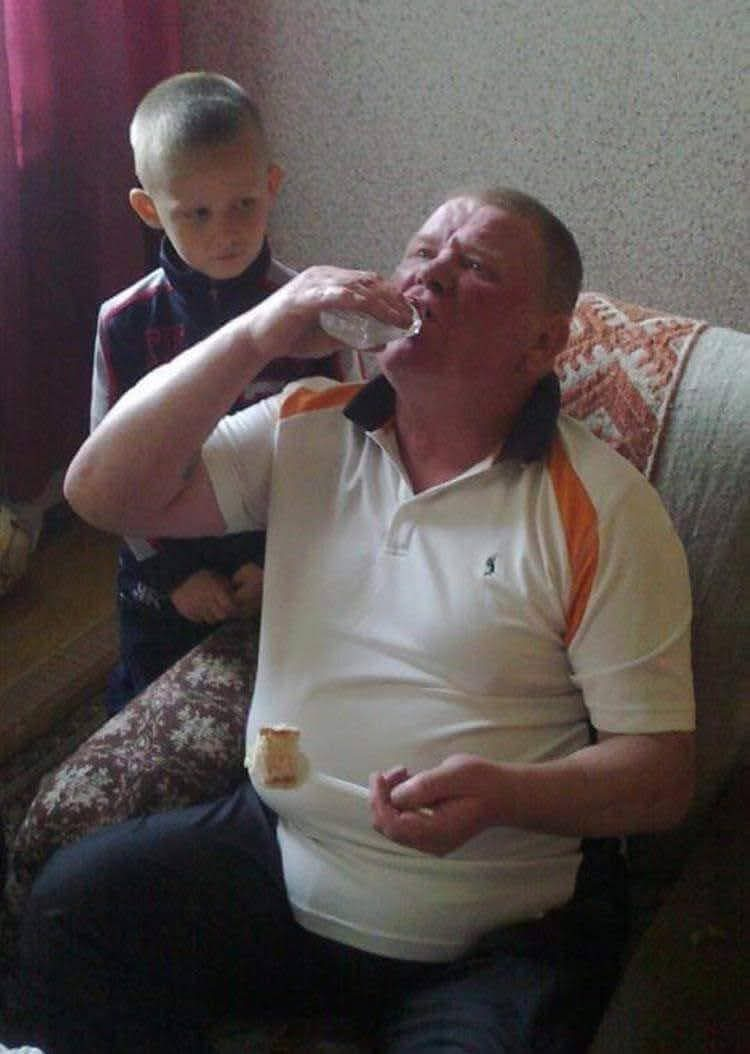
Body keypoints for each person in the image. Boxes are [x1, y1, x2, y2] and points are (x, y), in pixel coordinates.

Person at [22, 188, 695, 1053]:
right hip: (285, 856)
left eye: (475, 266)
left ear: (542, 342)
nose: (431, 275)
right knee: (74, 907)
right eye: (422, 251)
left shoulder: (602, 508)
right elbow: (101, 493)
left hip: (494, 928)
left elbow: (661, 777)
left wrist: (505, 795)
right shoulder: (307, 425)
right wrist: (258, 333)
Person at [92, 71, 351, 713]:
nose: (226, 233)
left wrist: (278, 562)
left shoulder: (312, 315)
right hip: (162, 574)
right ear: (149, 210)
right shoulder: (123, 324)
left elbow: (341, 458)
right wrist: (173, 574)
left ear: (272, 185)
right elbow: (111, 475)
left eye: (244, 205)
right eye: (197, 214)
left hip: (278, 558)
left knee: (287, 706)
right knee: (148, 697)